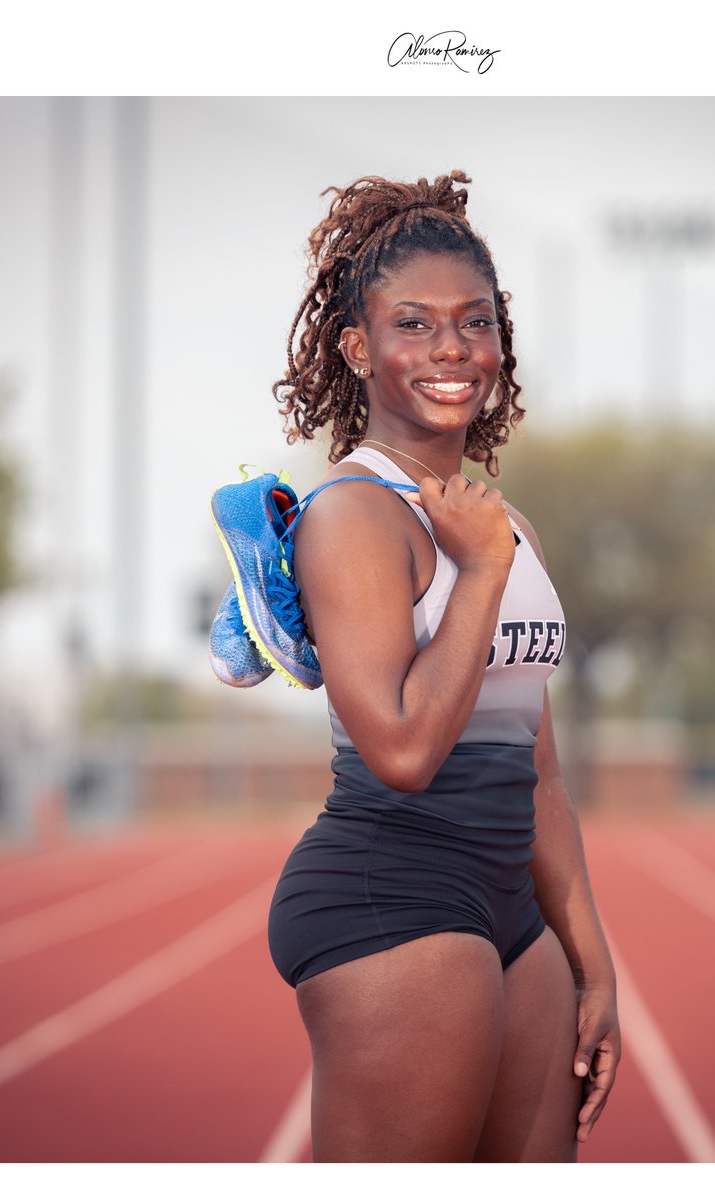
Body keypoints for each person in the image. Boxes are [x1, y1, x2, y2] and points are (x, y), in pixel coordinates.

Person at [265, 170, 620, 1162]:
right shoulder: (351, 518)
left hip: (516, 917)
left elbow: (540, 776)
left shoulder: (508, 528)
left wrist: (593, 963)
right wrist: (473, 574)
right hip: (394, 902)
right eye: (412, 324)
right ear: (357, 346)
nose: (451, 348)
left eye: (475, 321)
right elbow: (406, 751)